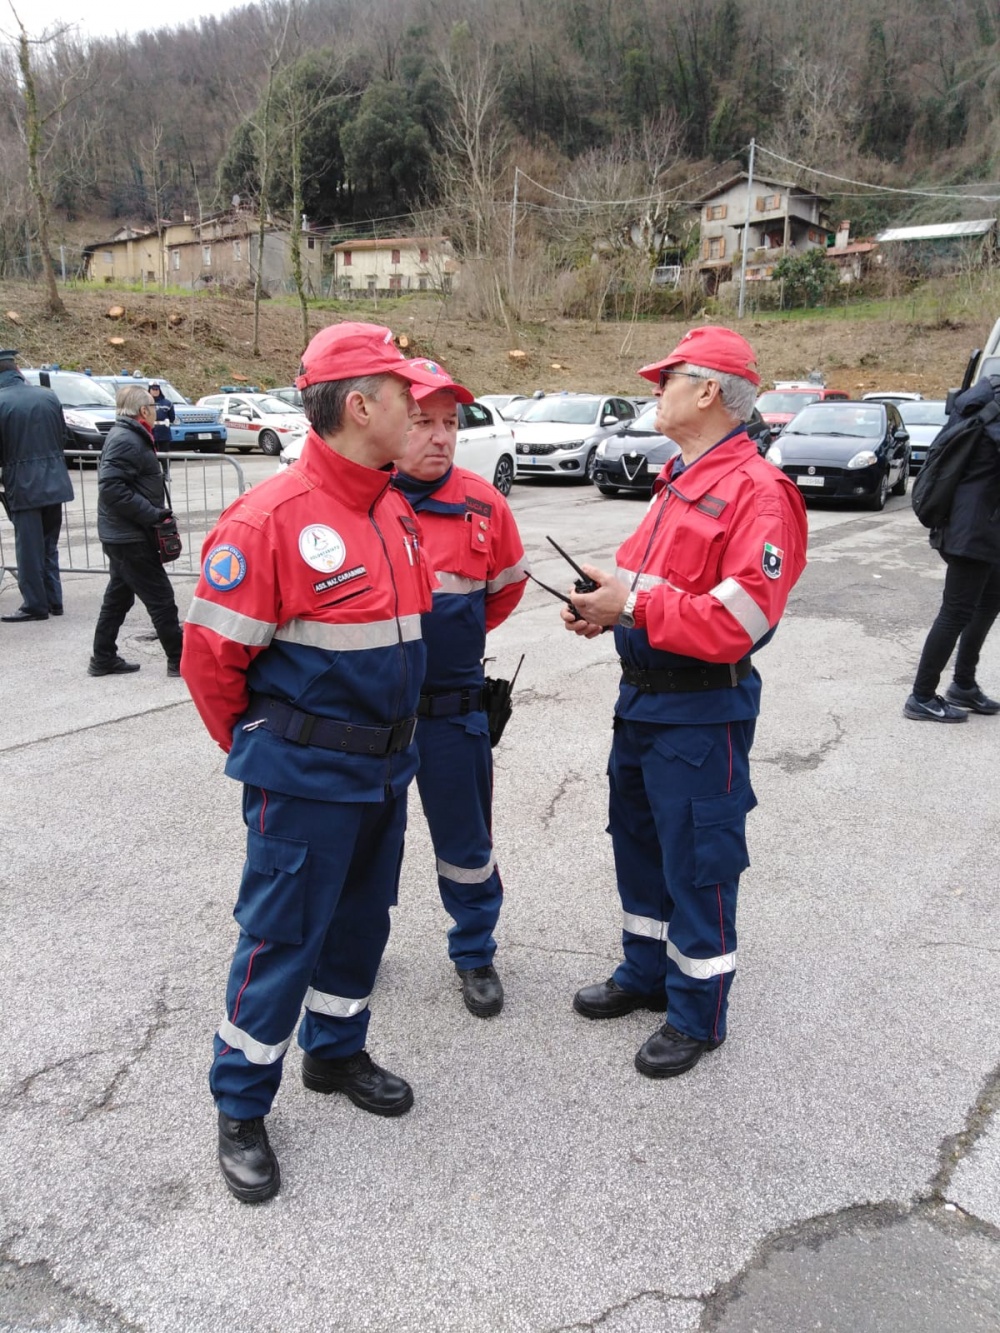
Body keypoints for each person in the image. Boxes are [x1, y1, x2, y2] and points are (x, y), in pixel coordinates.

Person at [182, 322, 445, 1204]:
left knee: (362, 924)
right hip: (305, 783)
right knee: (280, 940)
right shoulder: (270, 519)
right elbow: (211, 663)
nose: (420, 405)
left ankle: (334, 1053)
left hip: (384, 772)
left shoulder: (393, 506)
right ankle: (241, 1103)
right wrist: (267, 757)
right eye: (405, 391)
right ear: (359, 405)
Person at [561, 326, 808, 1078]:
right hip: (643, 705)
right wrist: (596, 602)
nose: (654, 390)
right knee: (637, 842)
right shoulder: (681, 477)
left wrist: (628, 604)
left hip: (701, 713)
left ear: (708, 390)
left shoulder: (759, 494)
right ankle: (646, 972)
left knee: (700, 862)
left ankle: (698, 1014)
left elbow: (738, 623)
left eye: (665, 378)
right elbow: (635, 580)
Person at [393, 368, 528, 1018]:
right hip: (373, 718)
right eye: (423, 421)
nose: (441, 436)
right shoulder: (364, 503)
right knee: (363, 844)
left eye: (450, 422)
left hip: (452, 713)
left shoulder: (485, 506)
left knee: (467, 845)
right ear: (390, 420)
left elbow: (503, 589)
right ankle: (348, 948)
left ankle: (474, 951)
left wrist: (451, 642)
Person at [904, 375, 1000, 722]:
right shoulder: (993, 407)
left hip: (983, 523)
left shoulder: (986, 395)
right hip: (974, 526)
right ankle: (922, 696)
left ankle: (963, 684)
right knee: (957, 611)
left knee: (988, 603)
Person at [89, 385, 184, 677]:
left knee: (119, 597)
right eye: (154, 409)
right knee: (161, 599)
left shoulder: (128, 435)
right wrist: (153, 515)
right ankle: (180, 661)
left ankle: (103, 657)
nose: (157, 414)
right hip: (129, 536)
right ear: (144, 411)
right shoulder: (127, 439)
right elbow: (111, 489)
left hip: (123, 534)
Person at [0, 350, 74, 622]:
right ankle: (54, 600)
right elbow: (63, 435)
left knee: (28, 549)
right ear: (16, 369)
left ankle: (34, 605)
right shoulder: (48, 395)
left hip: (24, 485)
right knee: (48, 545)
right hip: (55, 481)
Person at [147, 382, 175, 450]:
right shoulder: (145, 403)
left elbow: (172, 418)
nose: (155, 391)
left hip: (164, 434)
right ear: (149, 390)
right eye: (153, 389)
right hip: (150, 432)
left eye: (157, 389)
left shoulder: (167, 403)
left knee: (165, 457)